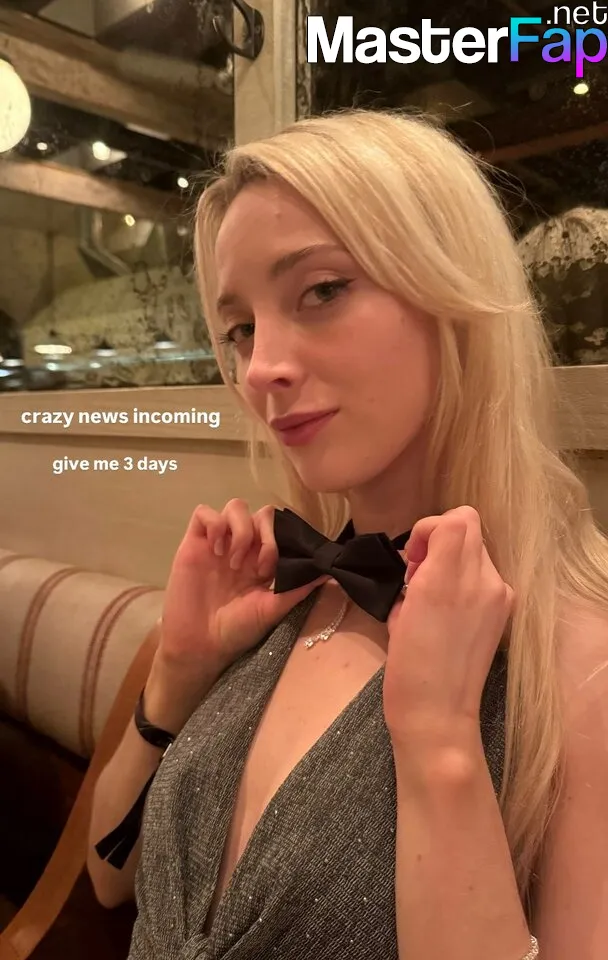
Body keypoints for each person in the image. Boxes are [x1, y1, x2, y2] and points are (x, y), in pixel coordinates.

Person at [87, 109, 608, 960]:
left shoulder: (581, 658)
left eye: (322, 291)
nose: (260, 369)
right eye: (241, 329)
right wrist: (177, 673)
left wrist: (440, 745)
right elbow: (110, 880)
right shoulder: (283, 596)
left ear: (450, 288)